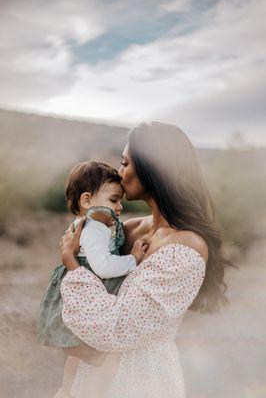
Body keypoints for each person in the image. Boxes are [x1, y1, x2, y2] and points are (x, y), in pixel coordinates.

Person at [58, 122, 232, 398]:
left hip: (140, 382)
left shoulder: (187, 247)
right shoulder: (127, 229)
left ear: (154, 169)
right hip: (90, 377)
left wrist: (73, 268)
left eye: (125, 163)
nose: (119, 172)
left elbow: (118, 329)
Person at [37, 161, 148, 393]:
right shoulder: (94, 229)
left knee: (78, 355)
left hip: (83, 288)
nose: (119, 208)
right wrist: (134, 258)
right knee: (99, 355)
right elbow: (103, 266)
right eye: (113, 200)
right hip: (87, 290)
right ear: (87, 200)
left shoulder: (94, 224)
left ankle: (67, 391)